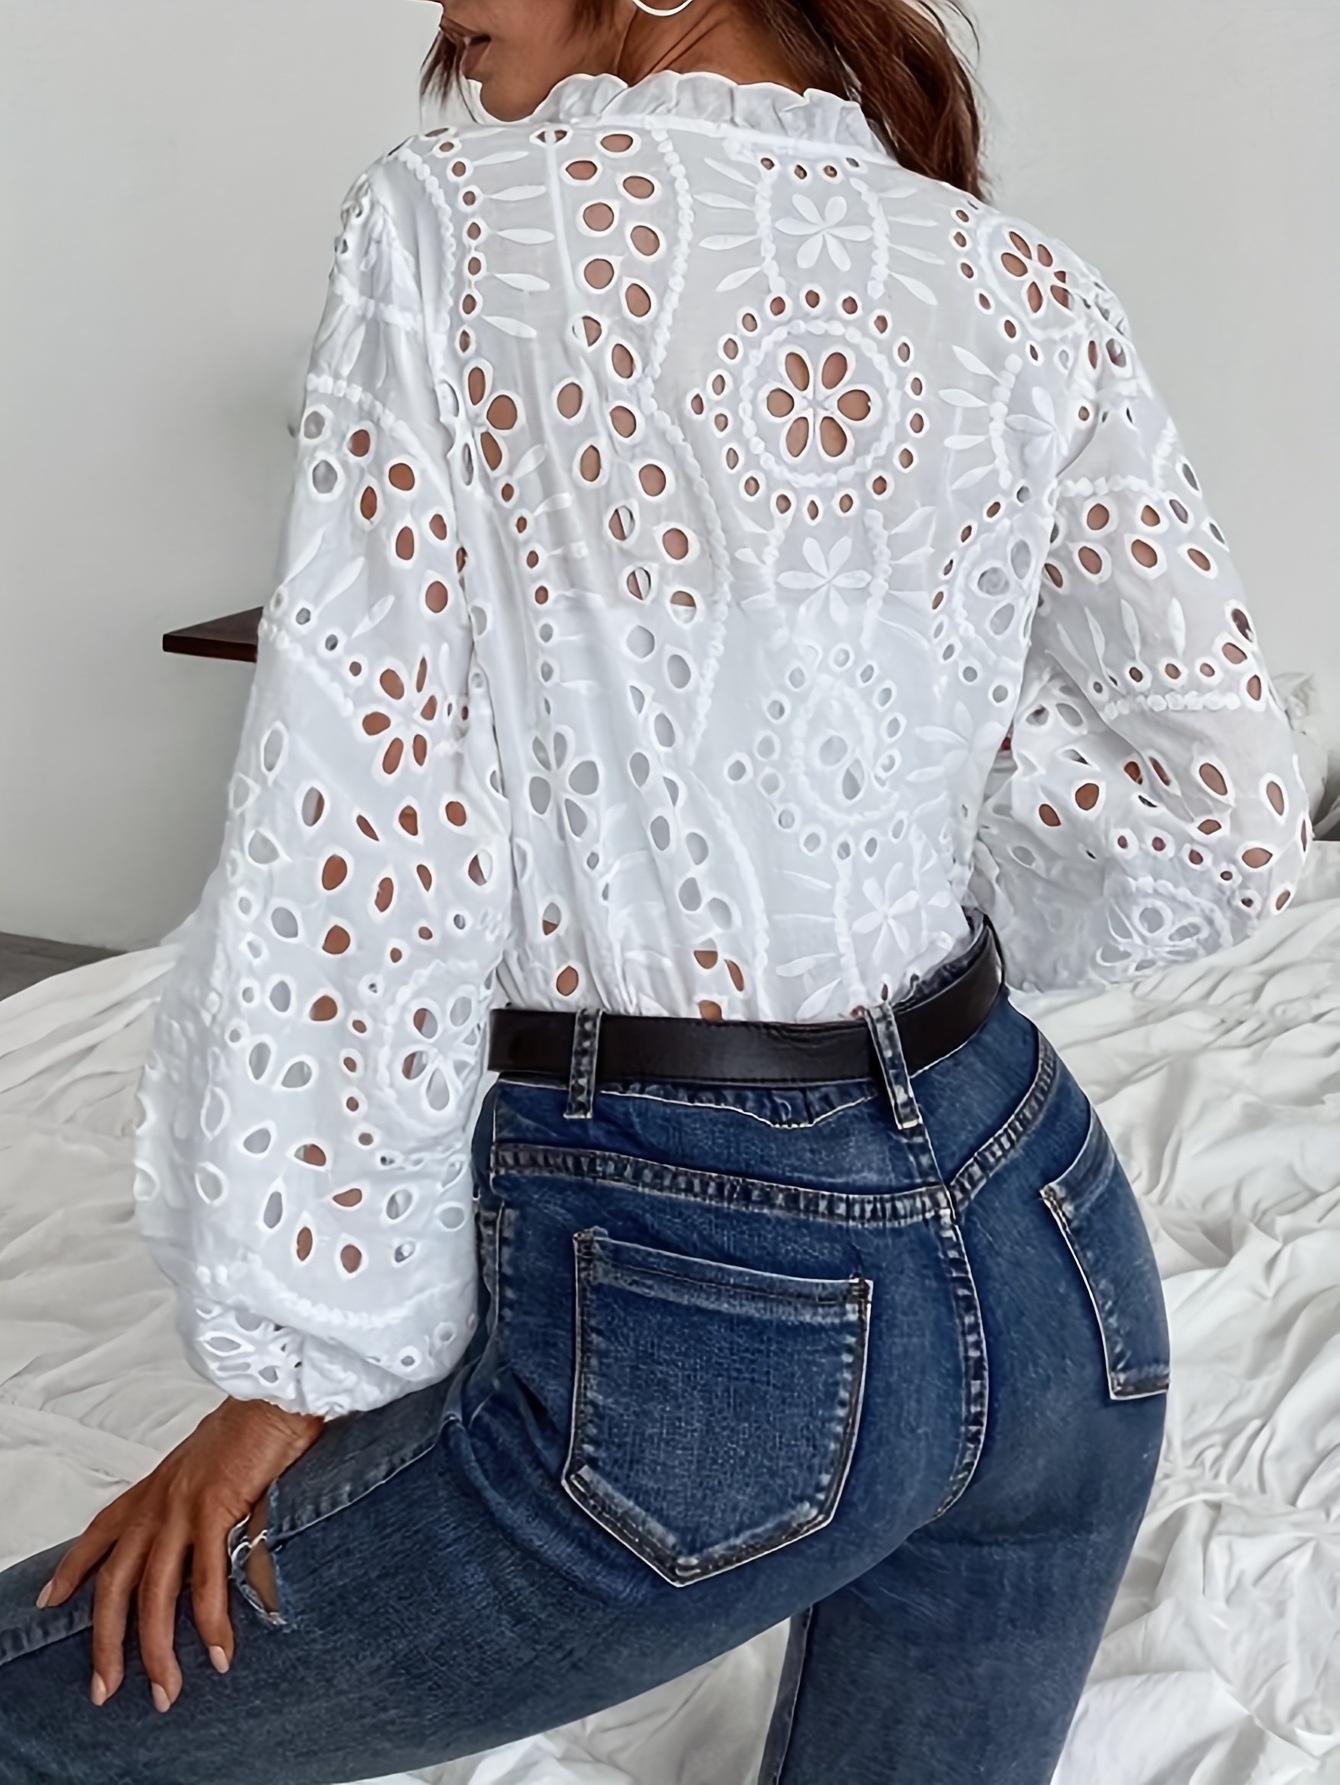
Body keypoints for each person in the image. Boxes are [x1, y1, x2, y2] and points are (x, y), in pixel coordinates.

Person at [0, 0, 1311, 1779]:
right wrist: (899, 776)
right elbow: (1230, 818)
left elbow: (370, 823)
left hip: (714, 1304)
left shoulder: (454, 226)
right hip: (1058, 1259)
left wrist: (289, 1369)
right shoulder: (1029, 285)